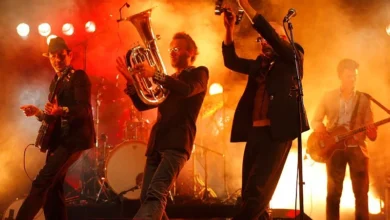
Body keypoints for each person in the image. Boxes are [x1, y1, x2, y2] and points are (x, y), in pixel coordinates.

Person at [221, 0, 309, 219]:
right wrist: (229, 29)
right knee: (251, 196)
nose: (263, 42)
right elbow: (231, 61)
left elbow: (272, 36)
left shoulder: (293, 57)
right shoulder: (259, 64)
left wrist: (246, 7)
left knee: (255, 194)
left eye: (268, 37)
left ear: (282, 40)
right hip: (255, 134)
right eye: (260, 39)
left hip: (276, 135)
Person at [116, 32, 209, 220]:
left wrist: (155, 74)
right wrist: (132, 82)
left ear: (190, 52)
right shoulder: (169, 78)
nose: (171, 53)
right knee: (147, 197)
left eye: (176, 49)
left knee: (155, 194)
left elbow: (186, 90)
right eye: (170, 49)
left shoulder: (199, 72)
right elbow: (145, 104)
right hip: (157, 143)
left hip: (177, 144)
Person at [18, 37, 95, 220]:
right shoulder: (55, 81)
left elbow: (85, 109)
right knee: (53, 189)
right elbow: (53, 119)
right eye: (52, 57)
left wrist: (62, 110)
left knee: (42, 183)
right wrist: (38, 113)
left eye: (60, 56)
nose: (56, 60)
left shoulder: (78, 76)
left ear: (70, 55)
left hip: (73, 140)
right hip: (60, 140)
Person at [311, 58, 377, 220]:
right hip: (334, 149)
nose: (353, 79)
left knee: (361, 195)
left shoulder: (364, 99)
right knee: (333, 194)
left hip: (358, 150)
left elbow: (372, 134)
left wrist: (371, 131)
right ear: (340, 76)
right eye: (349, 76)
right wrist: (319, 128)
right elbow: (315, 120)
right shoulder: (328, 96)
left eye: (355, 76)